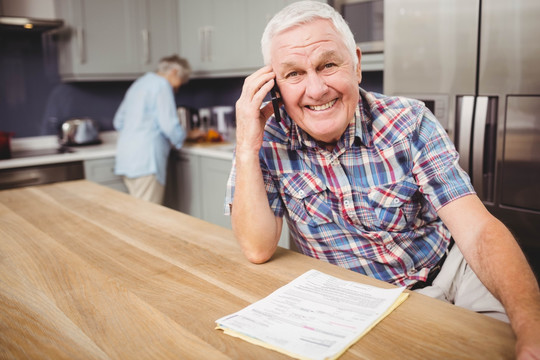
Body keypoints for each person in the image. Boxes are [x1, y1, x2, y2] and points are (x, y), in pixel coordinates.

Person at [225, 1, 540, 358]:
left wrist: (532, 326)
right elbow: (257, 247)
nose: (315, 89)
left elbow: (478, 230)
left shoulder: (409, 121)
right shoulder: (267, 138)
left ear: (356, 65)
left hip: (456, 272)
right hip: (364, 304)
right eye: (294, 73)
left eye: (328, 64)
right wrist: (247, 146)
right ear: (275, 85)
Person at [114, 55, 194, 204]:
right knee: (148, 217)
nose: (177, 89)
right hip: (146, 161)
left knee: (137, 210)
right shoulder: (162, 85)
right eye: (179, 83)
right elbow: (169, 125)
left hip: (127, 158)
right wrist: (183, 137)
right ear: (174, 71)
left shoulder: (140, 83)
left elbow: (118, 121)